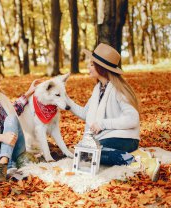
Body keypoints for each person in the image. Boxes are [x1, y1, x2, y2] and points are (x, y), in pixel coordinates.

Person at [67, 43, 161, 181]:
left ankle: (140, 161)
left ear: (102, 68)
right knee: (85, 154)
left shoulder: (118, 90)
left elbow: (132, 119)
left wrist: (103, 124)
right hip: (107, 137)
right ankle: (135, 156)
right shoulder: (98, 89)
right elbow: (85, 113)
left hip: (126, 138)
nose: (88, 67)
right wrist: (64, 101)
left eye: (92, 64)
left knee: (91, 154)